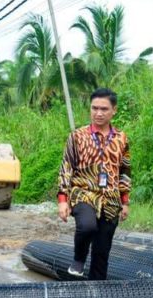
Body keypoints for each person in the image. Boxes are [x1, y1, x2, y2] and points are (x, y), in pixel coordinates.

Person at [57, 88, 131, 280]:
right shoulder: (77, 136)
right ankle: (79, 259)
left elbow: (125, 171)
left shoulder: (121, 138)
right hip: (83, 192)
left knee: (102, 251)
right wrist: (63, 200)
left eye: (104, 109)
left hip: (111, 198)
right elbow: (66, 167)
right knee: (87, 226)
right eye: (94, 108)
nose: (98, 113)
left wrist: (125, 201)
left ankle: (96, 295)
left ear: (114, 110)